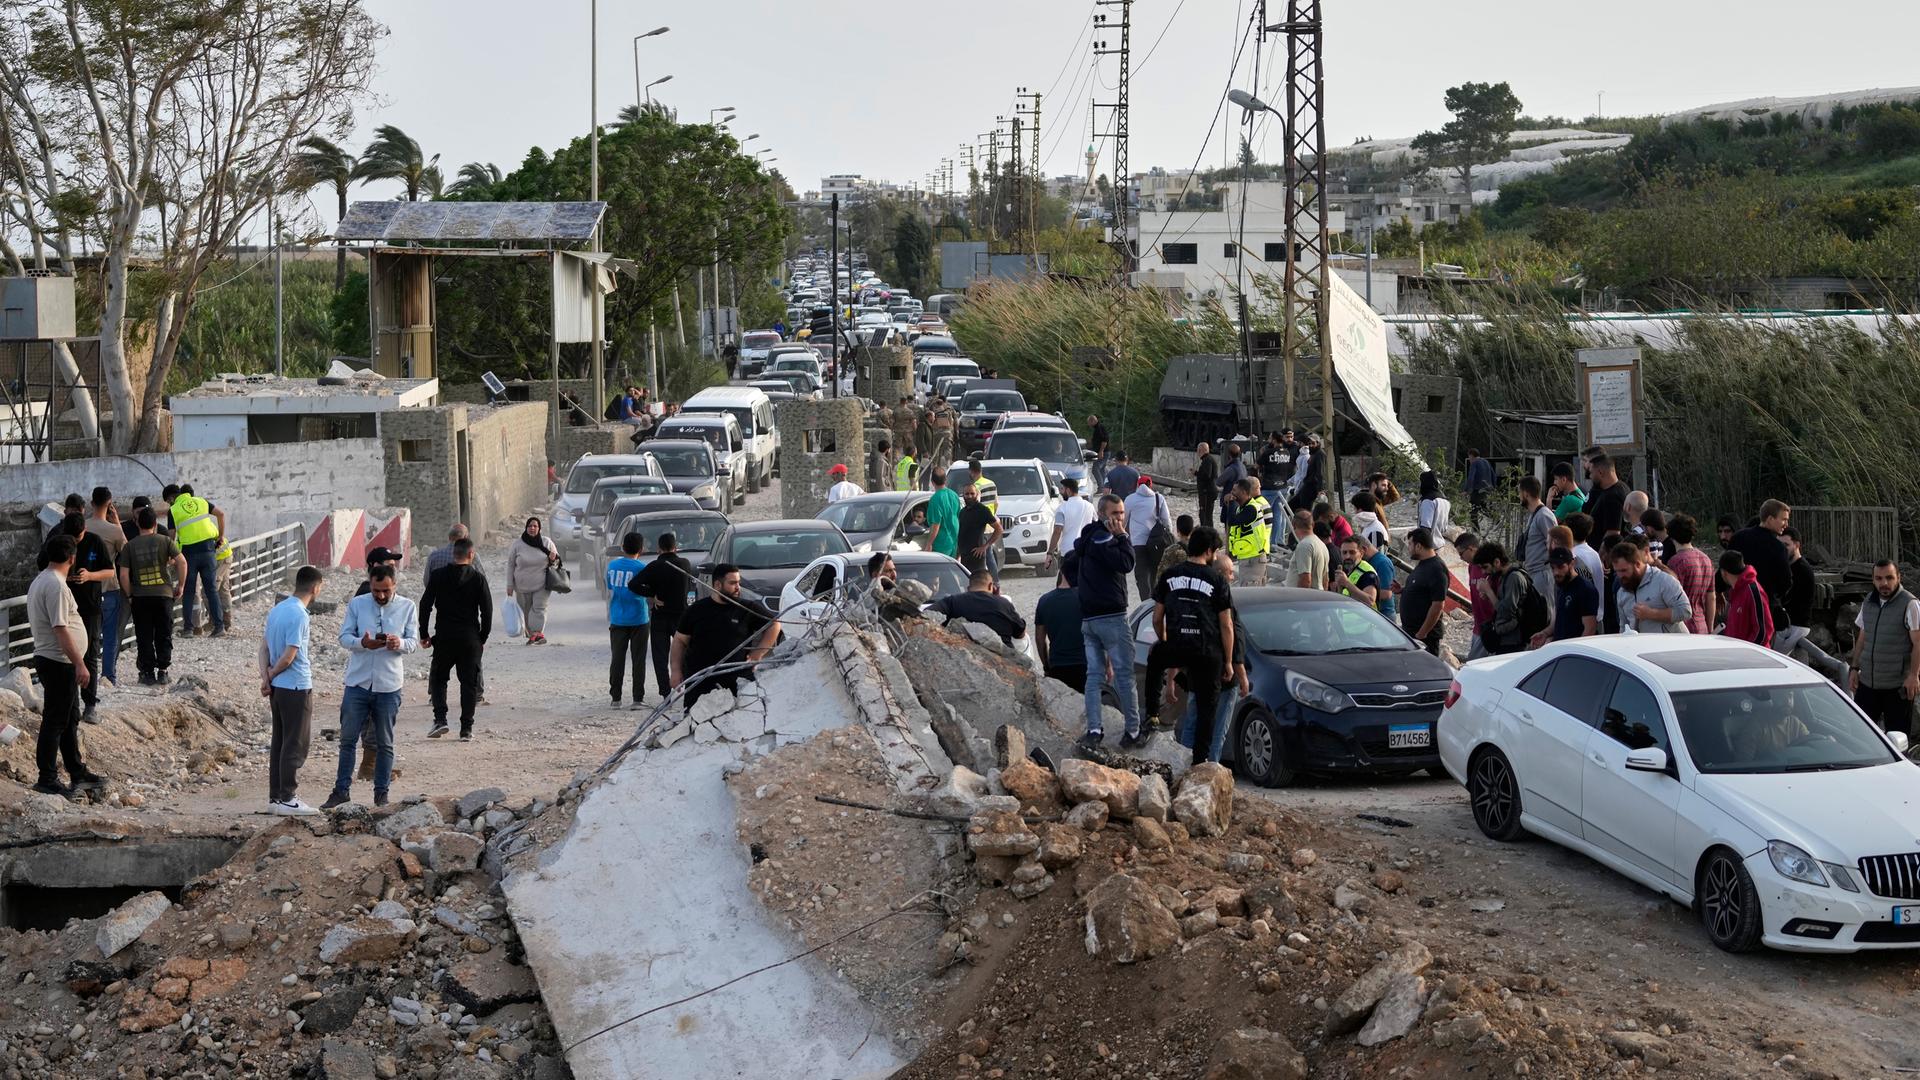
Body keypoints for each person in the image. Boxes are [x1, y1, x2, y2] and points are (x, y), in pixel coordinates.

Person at [323, 563, 416, 809]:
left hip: (389, 684)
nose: (381, 596)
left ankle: (381, 795)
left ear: (395, 585)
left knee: (385, 742)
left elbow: (413, 641)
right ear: (370, 584)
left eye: (386, 590)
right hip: (358, 682)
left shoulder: (407, 606)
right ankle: (341, 791)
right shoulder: (357, 604)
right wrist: (363, 643)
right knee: (348, 740)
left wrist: (400, 644)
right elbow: (344, 637)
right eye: (376, 590)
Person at [1148, 527, 1235, 765]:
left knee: (1156, 658)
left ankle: (1152, 715)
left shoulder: (1169, 575)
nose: (1215, 556)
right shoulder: (1217, 579)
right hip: (1208, 652)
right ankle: (1201, 763)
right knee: (1207, 711)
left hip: (1179, 645)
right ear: (1208, 551)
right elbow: (1226, 625)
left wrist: (1166, 642)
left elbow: (1157, 618)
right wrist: (1228, 661)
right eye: (1215, 551)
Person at [28, 535, 102, 797]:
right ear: (72, 558)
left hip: (57, 661)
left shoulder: (43, 580)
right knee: (55, 721)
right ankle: (46, 778)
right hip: (59, 662)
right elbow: (60, 629)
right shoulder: (56, 586)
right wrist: (80, 663)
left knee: (70, 718)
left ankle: (77, 771)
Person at [1067, 494, 1140, 748]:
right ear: (1102, 514)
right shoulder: (1107, 538)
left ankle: (1095, 730)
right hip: (1111, 617)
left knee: (1094, 676)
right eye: (1115, 514)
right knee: (1124, 675)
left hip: (1089, 618)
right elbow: (1127, 563)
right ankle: (1133, 731)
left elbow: (1070, 564)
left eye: (1122, 513)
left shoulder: (1087, 538)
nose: (1120, 518)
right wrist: (1123, 537)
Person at [672, 563, 782, 708]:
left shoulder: (747, 608)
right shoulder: (696, 610)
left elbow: (774, 624)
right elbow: (679, 640)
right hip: (701, 680)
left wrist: (758, 653)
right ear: (717, 585)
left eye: (739, 583)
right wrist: (675, 670)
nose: (738, 588)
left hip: (737, 679)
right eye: (733, 583)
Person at [261, 565, 323, 816]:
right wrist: (273, 673)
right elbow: (289, 655)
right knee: (295, 742)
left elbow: (263, 647)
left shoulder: (278, 609)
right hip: (295, 685)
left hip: (278, 689)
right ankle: (288, 797)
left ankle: (276, 797)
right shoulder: (299, 614)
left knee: (279, 741)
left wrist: (266, 677)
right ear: (315, 587)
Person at [421, 537, 492, 740]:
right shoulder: (478, 579)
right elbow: (487, 611)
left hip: (444, 637)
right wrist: (482, 638)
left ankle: (440, 720)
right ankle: (466, 729)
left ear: (454, 553)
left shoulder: (438, 576)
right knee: (469, 683)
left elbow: (425, 605)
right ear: (471, 554)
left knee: (439, 678)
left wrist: (424, 634)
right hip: (470, 638)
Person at [53, 513, 113, 724]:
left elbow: (109, 572)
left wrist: (89, 576)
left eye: (78, 539)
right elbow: (46, 567)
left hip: (90, 607)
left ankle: (90, 704)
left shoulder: (95, 541)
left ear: (84, 530)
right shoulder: (58, 542)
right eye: (72, 539)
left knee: (90, 655)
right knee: (65, 655)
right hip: (65, 607)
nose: (75, 543)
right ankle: (71, 704)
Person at [1850, 560, 1920, 735]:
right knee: (1860, 736)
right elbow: (1862, 637)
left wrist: (1913, 676)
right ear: (1873, 580)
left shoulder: (1910, 604)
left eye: (1889, 578)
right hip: (1867, 683)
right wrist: (1854, 667)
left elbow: (1918, 642)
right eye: (1879, 578)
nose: (1884, 583)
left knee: (1897, 739)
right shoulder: (1868, 601)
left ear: (1898, 578)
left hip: (1896, 688)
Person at [117, 506, 185, 685]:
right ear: (155, 524)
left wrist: (130, 595)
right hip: (164, 595)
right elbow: (182, 562)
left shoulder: (130, 546)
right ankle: (163, 671)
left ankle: (147, 673)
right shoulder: (165, 541)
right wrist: (181, 585)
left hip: (140, 597)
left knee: (144, 634)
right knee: (164, 633)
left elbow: (123, 575)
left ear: (138, 523)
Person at [1774, 528, 1847, 682]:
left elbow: (1789, 600)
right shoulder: (1788, 566)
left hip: (1794, 626)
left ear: (1797, 545)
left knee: (1775, 665)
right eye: (1779, 546)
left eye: (1786, 545)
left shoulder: (1802, 569)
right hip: (1790, 624)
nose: (1782, 550)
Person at [629, 531, 695, 702]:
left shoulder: (654, 566)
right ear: (675, 548)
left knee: (660, 656)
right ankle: (689, 687)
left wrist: (652, 594)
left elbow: (633, 584)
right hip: (681, 617)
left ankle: (665, 693)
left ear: (659, 549)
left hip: (660, 617)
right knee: (687, 654)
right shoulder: (685, 564)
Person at [598, 532, 654, 706]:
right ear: (641, 549)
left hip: (617, 618)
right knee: (638, 660)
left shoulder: (612, 566)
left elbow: (609, 585)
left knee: (617, 658)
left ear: (623, 547)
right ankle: (638, 699)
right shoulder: (641, 568)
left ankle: (616, 698)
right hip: (639, 617)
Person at [169, 482, 227, 637]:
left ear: (172, 498)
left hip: (189, 554)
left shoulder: (173, 509)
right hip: (208, 550)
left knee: (188, 591)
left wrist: (170, 556)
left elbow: (171, 536)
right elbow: (221, 514)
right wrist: (220, 536)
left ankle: (188, 629)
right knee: (211, 590)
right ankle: (219, 627)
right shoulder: (201, 501)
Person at [1730, 499, 1793, 635]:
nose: (1786, 524)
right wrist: (1774, 598)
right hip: (1765, 608)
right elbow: (1786, 582)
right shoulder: (1778, 548)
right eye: (1783, 520)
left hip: (1738, 604)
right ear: (1770, 519)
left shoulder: (1738, 538)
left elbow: (1726, 570)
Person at [86, 488, 127, 689]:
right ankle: (108, 676)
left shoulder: (83, 527)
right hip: (109, 588)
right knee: (110, 635)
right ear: (110, 504)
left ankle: (86, 674)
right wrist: (117, 521)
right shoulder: (114, 531)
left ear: (91, 503)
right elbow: (127, 552)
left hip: (86, 589)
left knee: (88, 635)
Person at [1474, 542, 1540, 655]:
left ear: (1497, 562)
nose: (1484, 572)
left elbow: (1506, 611)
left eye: (1485, 567)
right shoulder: (1504, 577)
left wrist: (1489, 592)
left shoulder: (1514, 578)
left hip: (1514, 641)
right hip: (1506, 639)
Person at [930, 569, 1027, 646]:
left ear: (968, 588)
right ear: (991, 586)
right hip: (1005, 661)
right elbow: (1020, 634)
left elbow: (927, 616)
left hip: (966, 659)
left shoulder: (952, 601)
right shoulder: (1003, 604)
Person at [1613, 543, 1691, 634]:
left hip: (1672, 646)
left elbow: (1685, 611)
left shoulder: (1663, 581)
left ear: (1637, 564)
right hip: (1643, 646)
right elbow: (1624, 628)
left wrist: (1651, 613)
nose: (1620, 576)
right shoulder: (1622, 592)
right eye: (1617, 571)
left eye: (1624, 570)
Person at [506, 516, 560, 644]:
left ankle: (537, 633)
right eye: (530, 526)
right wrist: (509, 584)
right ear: (526, 528)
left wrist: (553, 559)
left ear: (539, 528)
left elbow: (557, 563)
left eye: (535, 526)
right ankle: (531, 635)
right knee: (525, 610)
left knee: (539, 608)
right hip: (521, 585)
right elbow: (510, 565)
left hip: (542, 583)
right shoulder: (517, 544)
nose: (532, 528)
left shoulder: (546, 542)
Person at [1034, 569, 1091, 692]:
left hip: (1057, 665)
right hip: (1086, 665)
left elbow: (1039, 639)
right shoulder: (1087, 598)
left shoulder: (1044, 600)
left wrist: (1046, 664)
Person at [1400, 528, 1450, 656]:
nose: (1408, 548)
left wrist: (1422, 633)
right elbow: (1422, 591)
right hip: (1412, 633)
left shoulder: (1436, 568)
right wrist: (1402, 590)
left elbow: (1438, 604)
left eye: (1410, 544)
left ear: (1418, 546)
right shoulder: (1423, 564)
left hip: (1424, 637)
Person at [1665, 513, 1716, 636]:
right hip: (1702, 624)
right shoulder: (1706, 559)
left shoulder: (1675, 562)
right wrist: (1710, 627)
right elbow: (1711, 597)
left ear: (1671, 536)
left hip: (1682, 627)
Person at [1124, 475, 1173, 602]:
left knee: (1141, 573)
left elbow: (1123, 521)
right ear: (1151, 485)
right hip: (1156, 542)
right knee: (1154, 570)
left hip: (1138, 542)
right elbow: (1166, 521)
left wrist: (1123, 536)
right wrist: (1170, 536)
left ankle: (1145, 601)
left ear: (1137, 485)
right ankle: (1155, 599)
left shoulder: (1130, 499)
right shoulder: (1158, 498)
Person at [1718, 550, 1774, 646]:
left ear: (1724, 572)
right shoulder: (1736, 591)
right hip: (1737, 654)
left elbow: (1763, 631)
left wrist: (1746, 654)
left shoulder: (1753, 591)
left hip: (1751, 657)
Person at [1223, 479, 1273, 586]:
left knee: (1251, 592)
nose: (1232, 493)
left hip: (1254, 558)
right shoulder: (1240, 508)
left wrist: (1231, 502)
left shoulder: (1252, 508)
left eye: (1235, 490)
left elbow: (1233, 521)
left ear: (1244, 492)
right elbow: (1226, 519)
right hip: (1247, 557)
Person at [1516, 475, 1556, 603]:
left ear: (1526, 494)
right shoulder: (1535, 514)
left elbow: (1555, 544)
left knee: (1546, 616)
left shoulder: (1544, 515)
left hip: (1542, 574)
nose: (1519, 497)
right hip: (1533, 574)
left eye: (1519, 493)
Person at [1453, 533, 1492, 658]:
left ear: (1471, 549)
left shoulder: (1488, 566)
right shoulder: (1471, 566)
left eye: (1461, 553)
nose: (1461, 558)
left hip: (1490, 627)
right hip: (1478, 625)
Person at [955, 483, 1001, 577]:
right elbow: (962, 534)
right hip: (964, 557)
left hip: (977, 558)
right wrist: (958, 554)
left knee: (978, 584)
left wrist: (985, 546)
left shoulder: (983, 510)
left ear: (977, 494)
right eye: (967, 494)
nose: (969, 496)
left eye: (972, 493)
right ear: (963, 495)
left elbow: (999, 529)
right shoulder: (962, 512)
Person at [1049, 477, 1095, 568]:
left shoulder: (1062, 508)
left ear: (1068, 490)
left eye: (1062, 489)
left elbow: (1058, 530)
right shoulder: (1089, 506)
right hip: (1085, 550)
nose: (1061, 492)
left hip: (1068, 551)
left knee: (1066, 580)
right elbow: (1096, 524)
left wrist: (1050, 552)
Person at [1584, 455, 1628, 544]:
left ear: (1600, 472)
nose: (1590, 476)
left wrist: (1602, 553)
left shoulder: (1612, 496)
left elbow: (1613, 532)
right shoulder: (1620, 488)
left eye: (1592, 473)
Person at [1332, 537, 1380, 608]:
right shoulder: (1347, 570)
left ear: (1361, 553)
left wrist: (1346, 583)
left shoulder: (1367, 573)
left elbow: (1370, 601)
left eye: (1352, 552)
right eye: (1344, 553)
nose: (1347, 556)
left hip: (1364, 618)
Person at [1286, 509, 1327, 591]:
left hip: (1302, 599)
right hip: (1318, 595)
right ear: (1313, 524)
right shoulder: (1322, 545)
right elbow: (1325, 579)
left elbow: (1306, 580)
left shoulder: (1304, 546)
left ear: (1294, 525)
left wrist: (1300, 601)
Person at [925, 469, 961, 558]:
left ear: (932, 482)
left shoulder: (935, 499)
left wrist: (929, 543)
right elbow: (959, 518)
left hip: (941, 544)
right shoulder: (954, 495)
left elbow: (936, 524)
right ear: (945, 480)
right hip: (954, 542)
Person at [1157, 514, 1198, 584]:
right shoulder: (1200, 548)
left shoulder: (1171, 550)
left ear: (1177, 530)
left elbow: (1161, 575)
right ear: (1192, 530)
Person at [1257, 432, 1291, 511]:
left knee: (1265, 513)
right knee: (1278, 515)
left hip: (1269, 487)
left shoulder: (1268, 452)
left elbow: (1256, 465)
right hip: (1283, 487)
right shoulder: (1287, 452)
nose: (1268, 441)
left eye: (1269, 438)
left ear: (1274, 440)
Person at [1288, 435, 1321, 512]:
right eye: (1309, 443)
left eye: (1313, 443)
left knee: (1305, 512)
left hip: (1309, 487)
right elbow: (1299, 473)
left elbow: (1319, 473)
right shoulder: (1311, 455)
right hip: (1305, 486)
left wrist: (1320, 489)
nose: (1310, 445)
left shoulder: (1316, 455)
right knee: (1290, 509)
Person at [1463, 448, 1494, 528]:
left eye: (1469, 457)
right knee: (1483, 506)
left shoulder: (1474, 463)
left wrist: (1466, 490)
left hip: (1478, 489)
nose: (1469, 459)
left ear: (1471, 455)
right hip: (1487, 488)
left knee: (1473, 508)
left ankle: (1475, 528)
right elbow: (1493, 474)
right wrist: (1493, 486)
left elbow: (1471, 477)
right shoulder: (1486, 462)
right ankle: (1495, 518)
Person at [1192, 442, 1220, 531]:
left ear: (1201, 450)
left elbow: (1207, 475)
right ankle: (1207, 532)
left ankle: (1207, 533)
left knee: (1205, 515)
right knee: (1206, 514)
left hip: (1207, 492)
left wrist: (1196, 473)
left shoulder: (1207, 460)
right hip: (1208, 491)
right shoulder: (1208, 459)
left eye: (1198, 450)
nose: (1197, 453)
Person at [1415, 471, 1451, 541]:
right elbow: (1445, 528)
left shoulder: (1428, 501)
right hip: (1441, 542)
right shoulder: (1445, 501)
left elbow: (1425, 528)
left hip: (1429, 544)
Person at [1217, 443, 1248, 519]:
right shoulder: (1243, 466)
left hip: (1231, 499)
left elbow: (1219, 482)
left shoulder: (1231, 468)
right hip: (1241, 498)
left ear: (1229, 455)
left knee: (1229, 522)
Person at [1086, 414, 1110, 488]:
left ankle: (1101, 487)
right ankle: (1105, 486)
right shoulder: (1097, 429)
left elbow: (1104, 440)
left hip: (1104, 452)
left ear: (1093, 421)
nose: (1088, 424)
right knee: (1102, 469)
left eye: (1088, 422)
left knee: (1095, 469)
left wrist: (1101, 451)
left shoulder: (1099, 428)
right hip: (1102, 451)